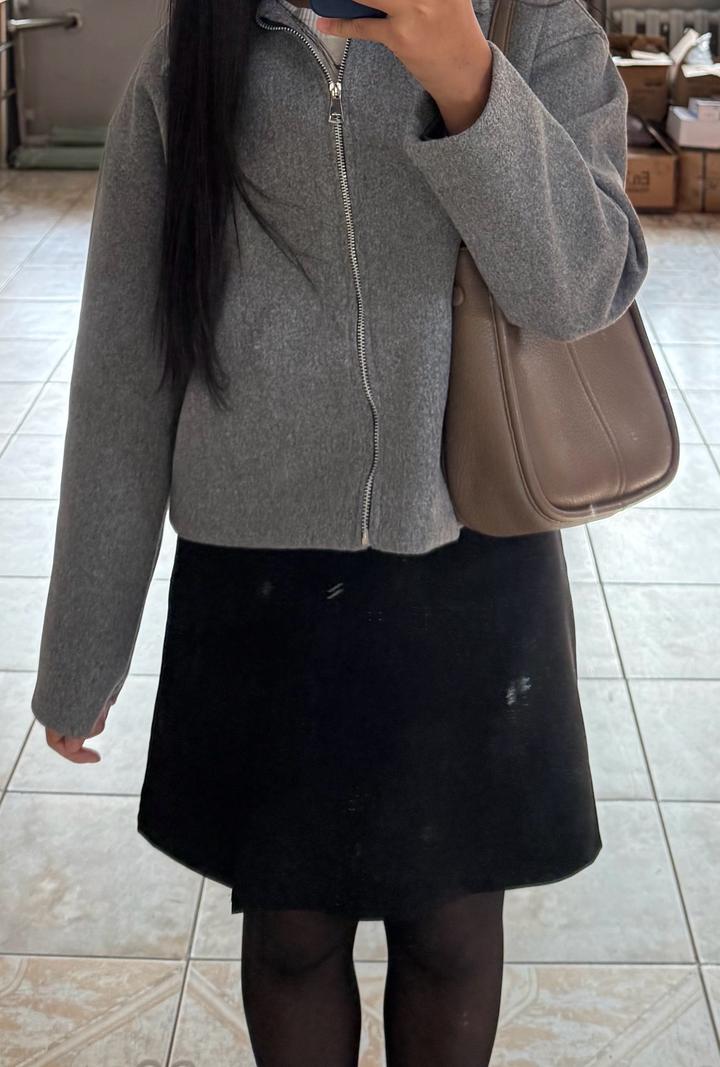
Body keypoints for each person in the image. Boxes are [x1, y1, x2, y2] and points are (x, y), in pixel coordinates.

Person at [31, 0, 648, 1061]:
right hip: (256, 569)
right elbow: (126, 365)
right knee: (290, 934)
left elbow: (584, 286)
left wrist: (465, 75)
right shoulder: (196, 54)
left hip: (468, 547)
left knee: (453, 931)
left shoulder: (531, 23)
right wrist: (84, 643)